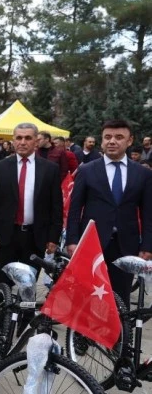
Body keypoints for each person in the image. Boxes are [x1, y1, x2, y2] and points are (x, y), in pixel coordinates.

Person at [66, 120, 152, 308]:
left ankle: (117, 337)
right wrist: (72, 240)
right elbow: (74, 210)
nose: (112, 141)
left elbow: (148, 213)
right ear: (102, 140)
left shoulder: (143, 174)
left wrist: (147, 245)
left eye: (119, 137)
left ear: (130, 141)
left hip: (126, 245)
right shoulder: (87, 170)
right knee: (87, 297)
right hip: (91, 243)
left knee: (120, 300)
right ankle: (82, 337)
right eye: (108, 137)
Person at [0, 123, 63, 286]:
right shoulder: (1, 167)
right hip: (6, 237)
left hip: (35, 237)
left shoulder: (50, 169)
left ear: (36, 141)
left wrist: (53, 237)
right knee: (3, 284)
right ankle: (2, 311)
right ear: (13, 141)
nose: (22, 142)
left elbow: (56, 206)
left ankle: (26, 313)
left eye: (28, 138)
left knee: (28, 285)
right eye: (19, 138)